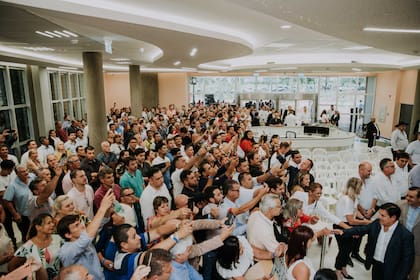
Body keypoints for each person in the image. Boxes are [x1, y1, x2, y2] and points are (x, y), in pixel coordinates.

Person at [337, 203, 414, 280]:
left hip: (393, 269)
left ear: (393, 218)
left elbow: (407, 261)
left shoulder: (405, 235)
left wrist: (400, 277)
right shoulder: (377, 224)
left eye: (383, 215)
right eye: (379, 214)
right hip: (376, 265)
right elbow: (361, 229)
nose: (379, 217)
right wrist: (343, 232)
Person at [57, 189, 115, 280]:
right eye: (76, 226)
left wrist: (107, 209)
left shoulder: (82, 237)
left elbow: (99, 225)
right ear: (68, 235)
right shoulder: (66, 251)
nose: (82, 226)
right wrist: (102, 207)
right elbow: (87, 237)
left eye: (80, 223)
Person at [334, 177, 371, 279]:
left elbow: (355, 212)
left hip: (349, 225)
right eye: (360, 187)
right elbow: (351, 220)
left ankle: (343, 267)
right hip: (342, 225)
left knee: (347, 249)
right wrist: (367, 222)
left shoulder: (353, 198)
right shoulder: (347, 200)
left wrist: (363, 218)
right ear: (355, 188)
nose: (361, 189)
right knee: (344, 250)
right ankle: (337, 270)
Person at [8, 213, 62, 279]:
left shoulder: (58, 239)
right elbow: (11, 266)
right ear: (38, 227)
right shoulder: (28, 247)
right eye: (48, 223)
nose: (52, 225)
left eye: (52, 222)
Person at [397, 187, 420, 280]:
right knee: (397, 271)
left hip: (417, 249)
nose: (407, 198)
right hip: (399, 246)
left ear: (419, 199)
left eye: (411, 197)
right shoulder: (399, 205)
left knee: (414, 273)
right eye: (407, 195)